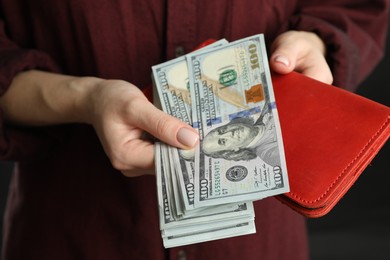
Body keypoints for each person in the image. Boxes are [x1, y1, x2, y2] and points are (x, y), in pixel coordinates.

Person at [0, 1, 388, 259]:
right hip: (75, 231)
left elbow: (355, 6)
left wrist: (315, 41)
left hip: (258, 241)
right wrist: (82, 98)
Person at [202, 108, 280, 166]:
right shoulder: (269, 154)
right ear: (234, 150)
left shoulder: (266, 108)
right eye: (223, 141)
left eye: (221, 131)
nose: (229, 133)